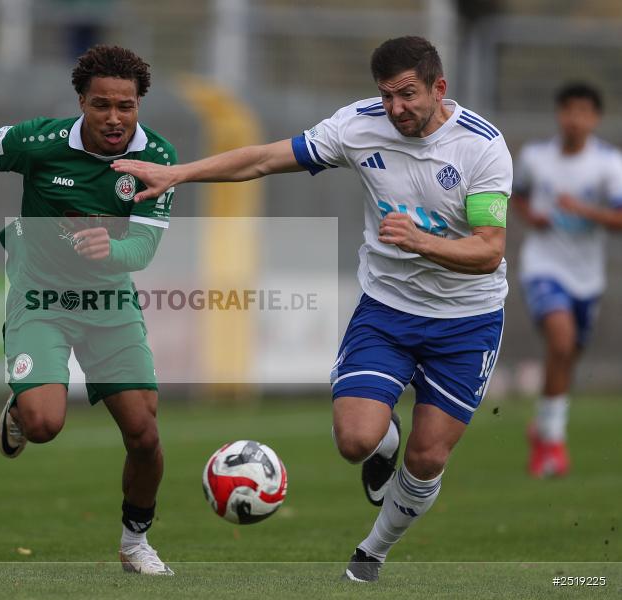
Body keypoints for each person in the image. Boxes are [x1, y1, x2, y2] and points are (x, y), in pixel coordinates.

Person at [113, 36, 511, 582]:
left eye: (408, 95)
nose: (396, 109)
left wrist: (423, 242)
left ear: (439, 88)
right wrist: (178, 174)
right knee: (355, 441)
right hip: (389, 309)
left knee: (427, 460)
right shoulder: (357, 126)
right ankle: (382, 440)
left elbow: (489, 250)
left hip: (468, 322)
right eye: (386, 96)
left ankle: (371, 551)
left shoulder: (482, 148)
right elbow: (262, 160)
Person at [0, 45, 177, 575]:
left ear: (139, 105)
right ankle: (19, 412)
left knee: (144, 434)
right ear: (81, 101)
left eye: (125, 106)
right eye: (101, 104)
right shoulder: (41, 142)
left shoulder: (159, 160)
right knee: (43, 425)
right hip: (41, 298)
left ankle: (134, 544)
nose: (114, 117)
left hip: (109, 303)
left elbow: (144, 249)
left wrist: (112, 250)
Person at [512, 83, 622, 478]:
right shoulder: (536, 157)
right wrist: (531, 215)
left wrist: (584, 210)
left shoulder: (609, 165)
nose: (574, 119)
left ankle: (541, 427)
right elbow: (517, 195)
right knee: (560, 340)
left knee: (567, 356)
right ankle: (552, 445)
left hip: (586, 277)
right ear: (559, 114)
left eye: (583, 112)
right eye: (568, 110)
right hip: (543, 267)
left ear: (595, 118)